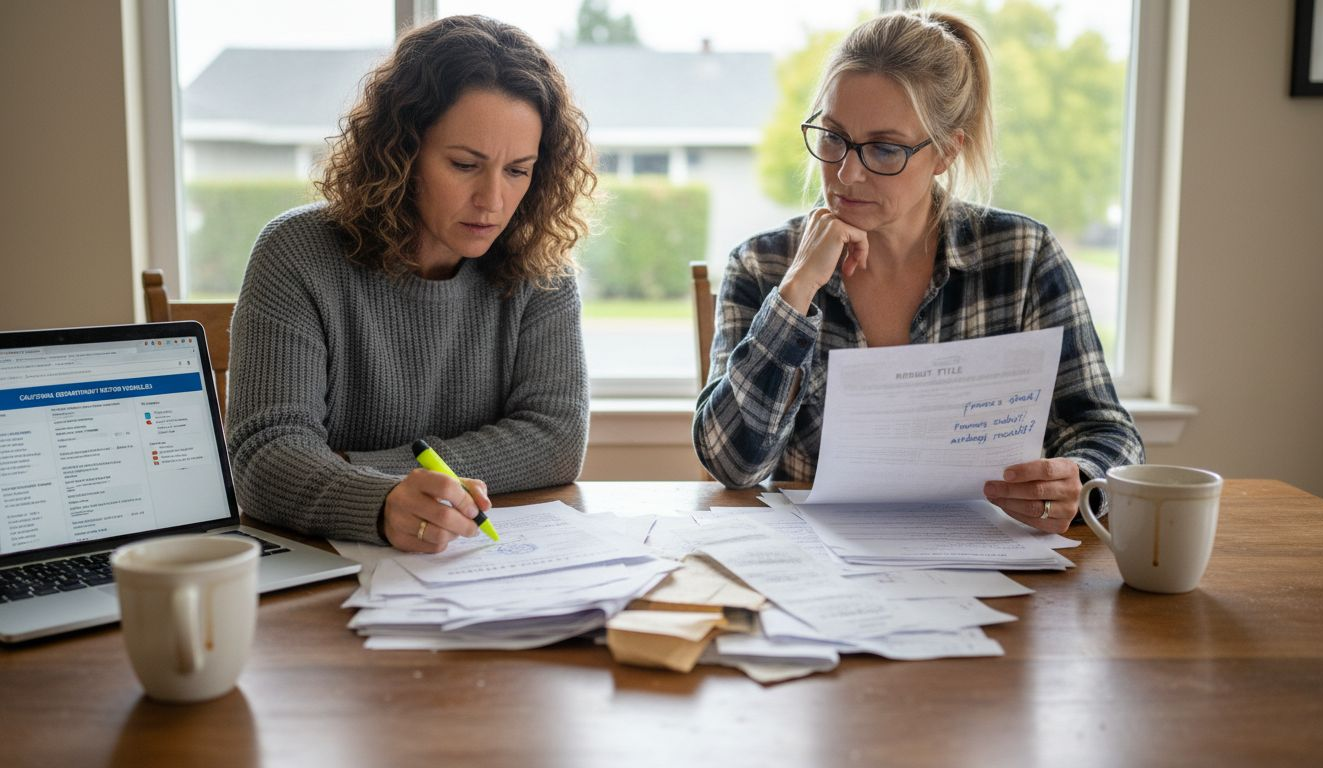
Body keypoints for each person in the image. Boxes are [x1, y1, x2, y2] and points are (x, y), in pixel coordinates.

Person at [692, 9, 1143, 533]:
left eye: (885, 148)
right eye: (834, 137)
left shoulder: (1022, 258)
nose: (847, 172)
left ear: (947, 152)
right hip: (817, 577)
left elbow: (1111, 435)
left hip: (989, 569)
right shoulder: (763, 265)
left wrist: (1074, 479)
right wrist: (795, 294)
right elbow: (731, 465)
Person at [227, 16, 596, 552]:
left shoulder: (540, 264)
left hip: (474, 564)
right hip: (328, 574)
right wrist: (381, 505)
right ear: (400, 154)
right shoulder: (298, 253)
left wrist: (366, 471)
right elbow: (264, 457)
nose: (492, 201)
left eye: (518, 170)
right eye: (465, 164)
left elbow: (556, 438)